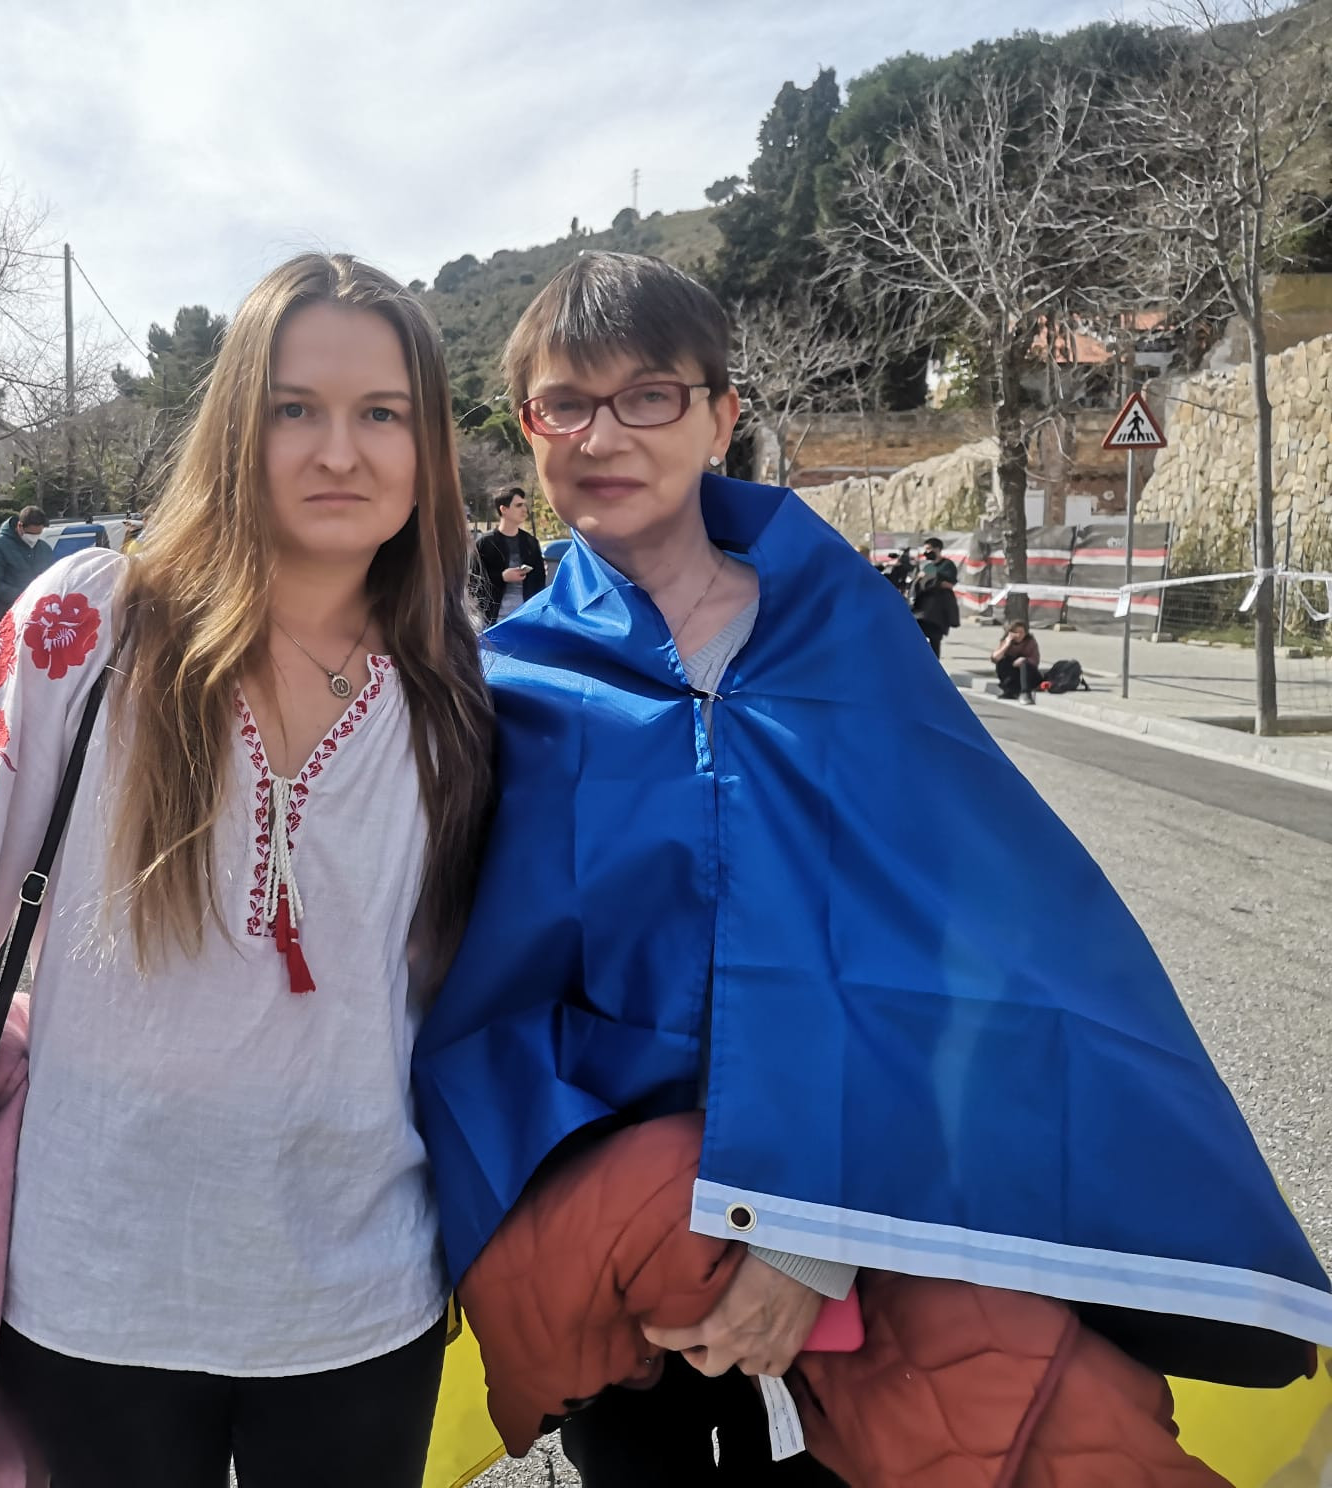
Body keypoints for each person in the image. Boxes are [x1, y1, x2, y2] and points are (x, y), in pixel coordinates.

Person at [412, 253, 1331, 1484]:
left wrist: (808, 1242)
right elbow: (472, 981)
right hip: (635, 1238)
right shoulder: (508, 681)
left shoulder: (844, 634)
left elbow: (973, 935)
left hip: (874, 1207)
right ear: (526, 429)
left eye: (647, 396)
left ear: (720, 415)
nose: (601, 434)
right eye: (561, 403)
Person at [0, 254, 493, 1488]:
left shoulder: (454, 684)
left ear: (427, 446)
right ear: (231, 429)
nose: (339, 451)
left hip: (361, 1295)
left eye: (382, 413)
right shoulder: (91, 623)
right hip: (96, 1282)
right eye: (292, 408)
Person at [473, 487, 547, 624]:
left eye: (525, 505)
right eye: (518, 505)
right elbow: (473, 581)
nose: (524, 509)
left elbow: (539, 583)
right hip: (493, 620)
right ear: (503, 509)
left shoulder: (530, 542)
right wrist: (501, 577)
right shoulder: (485, 543)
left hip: (525, 620)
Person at [0, 505, 55, 626]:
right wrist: (24, 597)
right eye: (31, 533)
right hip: (8, 615)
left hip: (38, 617)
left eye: (38, 533)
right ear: (20, 526)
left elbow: (52, 578)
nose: (34, 538)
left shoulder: (44, 548)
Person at [908, 535, 959, 656]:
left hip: (938, 610)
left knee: (935, 640)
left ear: (938, 549)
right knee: (916, 635)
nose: (927, 552)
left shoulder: (947, 565)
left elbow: (949, 584)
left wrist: (932, 580)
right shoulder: (927, 566)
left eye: (929, 549)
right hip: (923, 608)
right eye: (925, 549)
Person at [992, 618, 1042, 702]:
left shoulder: (1030, 642)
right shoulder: (1007, 641)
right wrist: (1006, 644)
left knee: (1024, 664)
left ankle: (1025, 693)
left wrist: (1024, 660)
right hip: (1014, 675)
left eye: (1021, 632)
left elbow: (1035, 661)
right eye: (1016, 632)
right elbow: (995, 658)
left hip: (1030, 676)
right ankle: (1010, 690)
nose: (1019, 635)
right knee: (1002, 661)